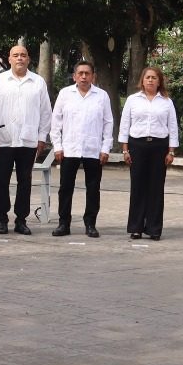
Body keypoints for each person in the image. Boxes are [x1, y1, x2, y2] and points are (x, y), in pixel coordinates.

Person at [0, 45, 52, 235]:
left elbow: (46, 112)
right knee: (1, 181)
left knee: (25, 181)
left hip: (28, 140)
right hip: (3, 140)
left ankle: (21, 220)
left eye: (23, 55)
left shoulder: (37, 82)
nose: (19, 58)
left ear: (28, 59)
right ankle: (2, 219)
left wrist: (42, 137)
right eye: (16, 55)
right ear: (10, 59)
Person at [49, 61, 113, 238]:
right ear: (74, 76)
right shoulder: (65, 94)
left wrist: (105, 148)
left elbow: (108, 123)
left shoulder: (102, 96)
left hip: (93, 149)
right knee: (65, 188)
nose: (84, 77)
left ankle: (90, 224)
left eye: (87, 73)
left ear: (93, 76)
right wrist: (57, 146)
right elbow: (56, 122)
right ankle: (64, 223)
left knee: (93, 188)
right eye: (80, 73)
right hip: (69, 148)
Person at [119, 66, 178, 241]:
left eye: (154, 78)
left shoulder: (166, 102)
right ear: (142, 81)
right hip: (137, 145)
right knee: (137, 187)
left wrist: (171, 151)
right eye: (148, 77)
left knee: (156, 188)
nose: (150, 80)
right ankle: (136, 227)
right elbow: (124, 125)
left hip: (159, 147)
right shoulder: (132, 100)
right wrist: (125, 150)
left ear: (159, 81)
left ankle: (154, 228)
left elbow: (173, 127)